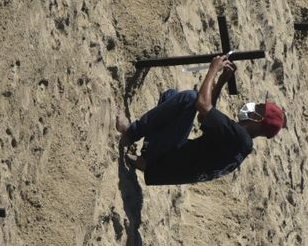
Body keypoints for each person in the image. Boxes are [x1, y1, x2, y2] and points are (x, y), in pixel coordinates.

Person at [116, 55, 285, 185]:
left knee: (189, 99)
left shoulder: (239, 136)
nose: (253, 106)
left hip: (162, 161)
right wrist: (220, 82)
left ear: (258, 119)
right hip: (165, 164)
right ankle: (146, 156)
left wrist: (213, 69)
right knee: (171, 97)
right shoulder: (240, 142)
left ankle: (131, 133)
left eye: (259, 108)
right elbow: (205, 117)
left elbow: (202, 104)